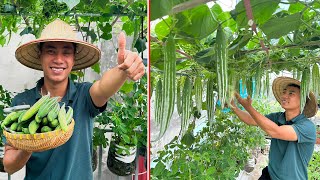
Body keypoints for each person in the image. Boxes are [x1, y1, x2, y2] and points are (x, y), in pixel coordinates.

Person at [3, 19, 145, 179]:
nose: (58, 59)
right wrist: (28, 144)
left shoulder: (84, 95)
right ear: (40, 55)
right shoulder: (22, 103)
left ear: (73, 59)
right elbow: (9, 165)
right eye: (50, 51)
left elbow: (103, 88)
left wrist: (123, 71)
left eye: (66, 52)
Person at [230, 77, 317, 180]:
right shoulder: (278, 117)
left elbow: (276, 132)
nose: (284, 96)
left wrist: (248, 107)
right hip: (270, 174)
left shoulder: (307, 127)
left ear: (303, 100)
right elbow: (251, 120)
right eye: (284, 92)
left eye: (291, 93)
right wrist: (233, 106)